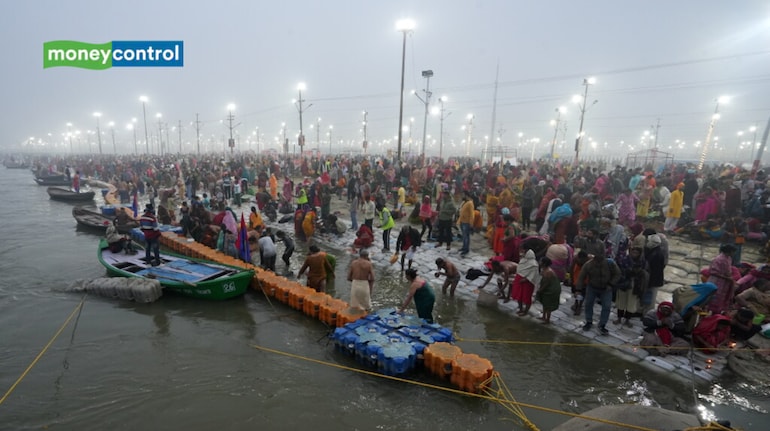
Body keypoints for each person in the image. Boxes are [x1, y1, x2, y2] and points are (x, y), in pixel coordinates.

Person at [576, 247, 621, 335]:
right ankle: (589, 321)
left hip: (606, 288)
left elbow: (618, 274)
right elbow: (581, 277)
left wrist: (611, 284)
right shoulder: (588, 265)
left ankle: (602, 325)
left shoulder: (610, 263)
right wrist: (578, 289)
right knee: (588, 304)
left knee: (607, 307)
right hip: (592, 287)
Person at [706, 244, 738, 315]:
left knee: (722, 298)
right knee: (714, 297)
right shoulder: (719, 259)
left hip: (726, 282)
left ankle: (717, 313)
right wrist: (726, 277)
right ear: (729, 251)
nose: (734, 254)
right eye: (733, 252)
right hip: (717, 280)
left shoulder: (729, 258)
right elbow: (713, 271)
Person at [512, 248, 541, 316]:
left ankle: (525, 311)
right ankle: (521, 309)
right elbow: (519, 269)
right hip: (519, 280)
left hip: (528, 283)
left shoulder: (534, 264)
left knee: (526, 297)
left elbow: (533, 275)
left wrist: (525, 279)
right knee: (519, 295)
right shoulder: (523, 260)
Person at [535, 257, 562, 324]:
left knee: (548, 305)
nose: (539, 262)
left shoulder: (548, 272)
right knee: (545, 303)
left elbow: (547, 283)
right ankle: (543, 317)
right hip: (547, 288)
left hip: (552, 290)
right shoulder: (544, 270)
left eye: (541, 261)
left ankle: (547, 320)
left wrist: (540, 290)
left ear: (544, 263)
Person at [457, 192, 475, 256]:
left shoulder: (470, 203)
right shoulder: (465, 202)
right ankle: (464, 247)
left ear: (466, 195)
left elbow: (472, 214)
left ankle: (466, 249)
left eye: (463, 195)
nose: (462, 196)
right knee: (464, 236)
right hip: (462, 220)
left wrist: (471, 223)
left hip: (466, 222)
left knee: (466, 236)